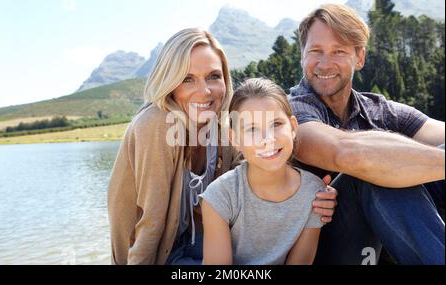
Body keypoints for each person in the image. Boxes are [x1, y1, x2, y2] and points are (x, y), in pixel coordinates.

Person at [107, 28, 337, 265]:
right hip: (161, 256)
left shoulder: (224, 124)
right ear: (170, 82)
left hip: (203, 247)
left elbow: (257, 170)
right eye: (188, 79)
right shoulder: (156, 123)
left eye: (213, 76)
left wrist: (316, 195)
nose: (204, 91)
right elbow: (150, 223)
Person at [289, 4, 445, 264]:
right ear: (302, 56)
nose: (325, 63)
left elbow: (437, 133)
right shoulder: (290, 112)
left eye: (338, 51)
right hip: (323, 248)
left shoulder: (378, 109)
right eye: (315, 51)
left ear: (359, 57)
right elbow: (345, 153)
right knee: (370, 172)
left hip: (381, 244)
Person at [200, 78, 324, 265]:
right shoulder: (219, 196)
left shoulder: (314, 192)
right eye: (252, 129)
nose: (267, 139)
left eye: (276, 124)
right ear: (235, 139)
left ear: (293, 126)